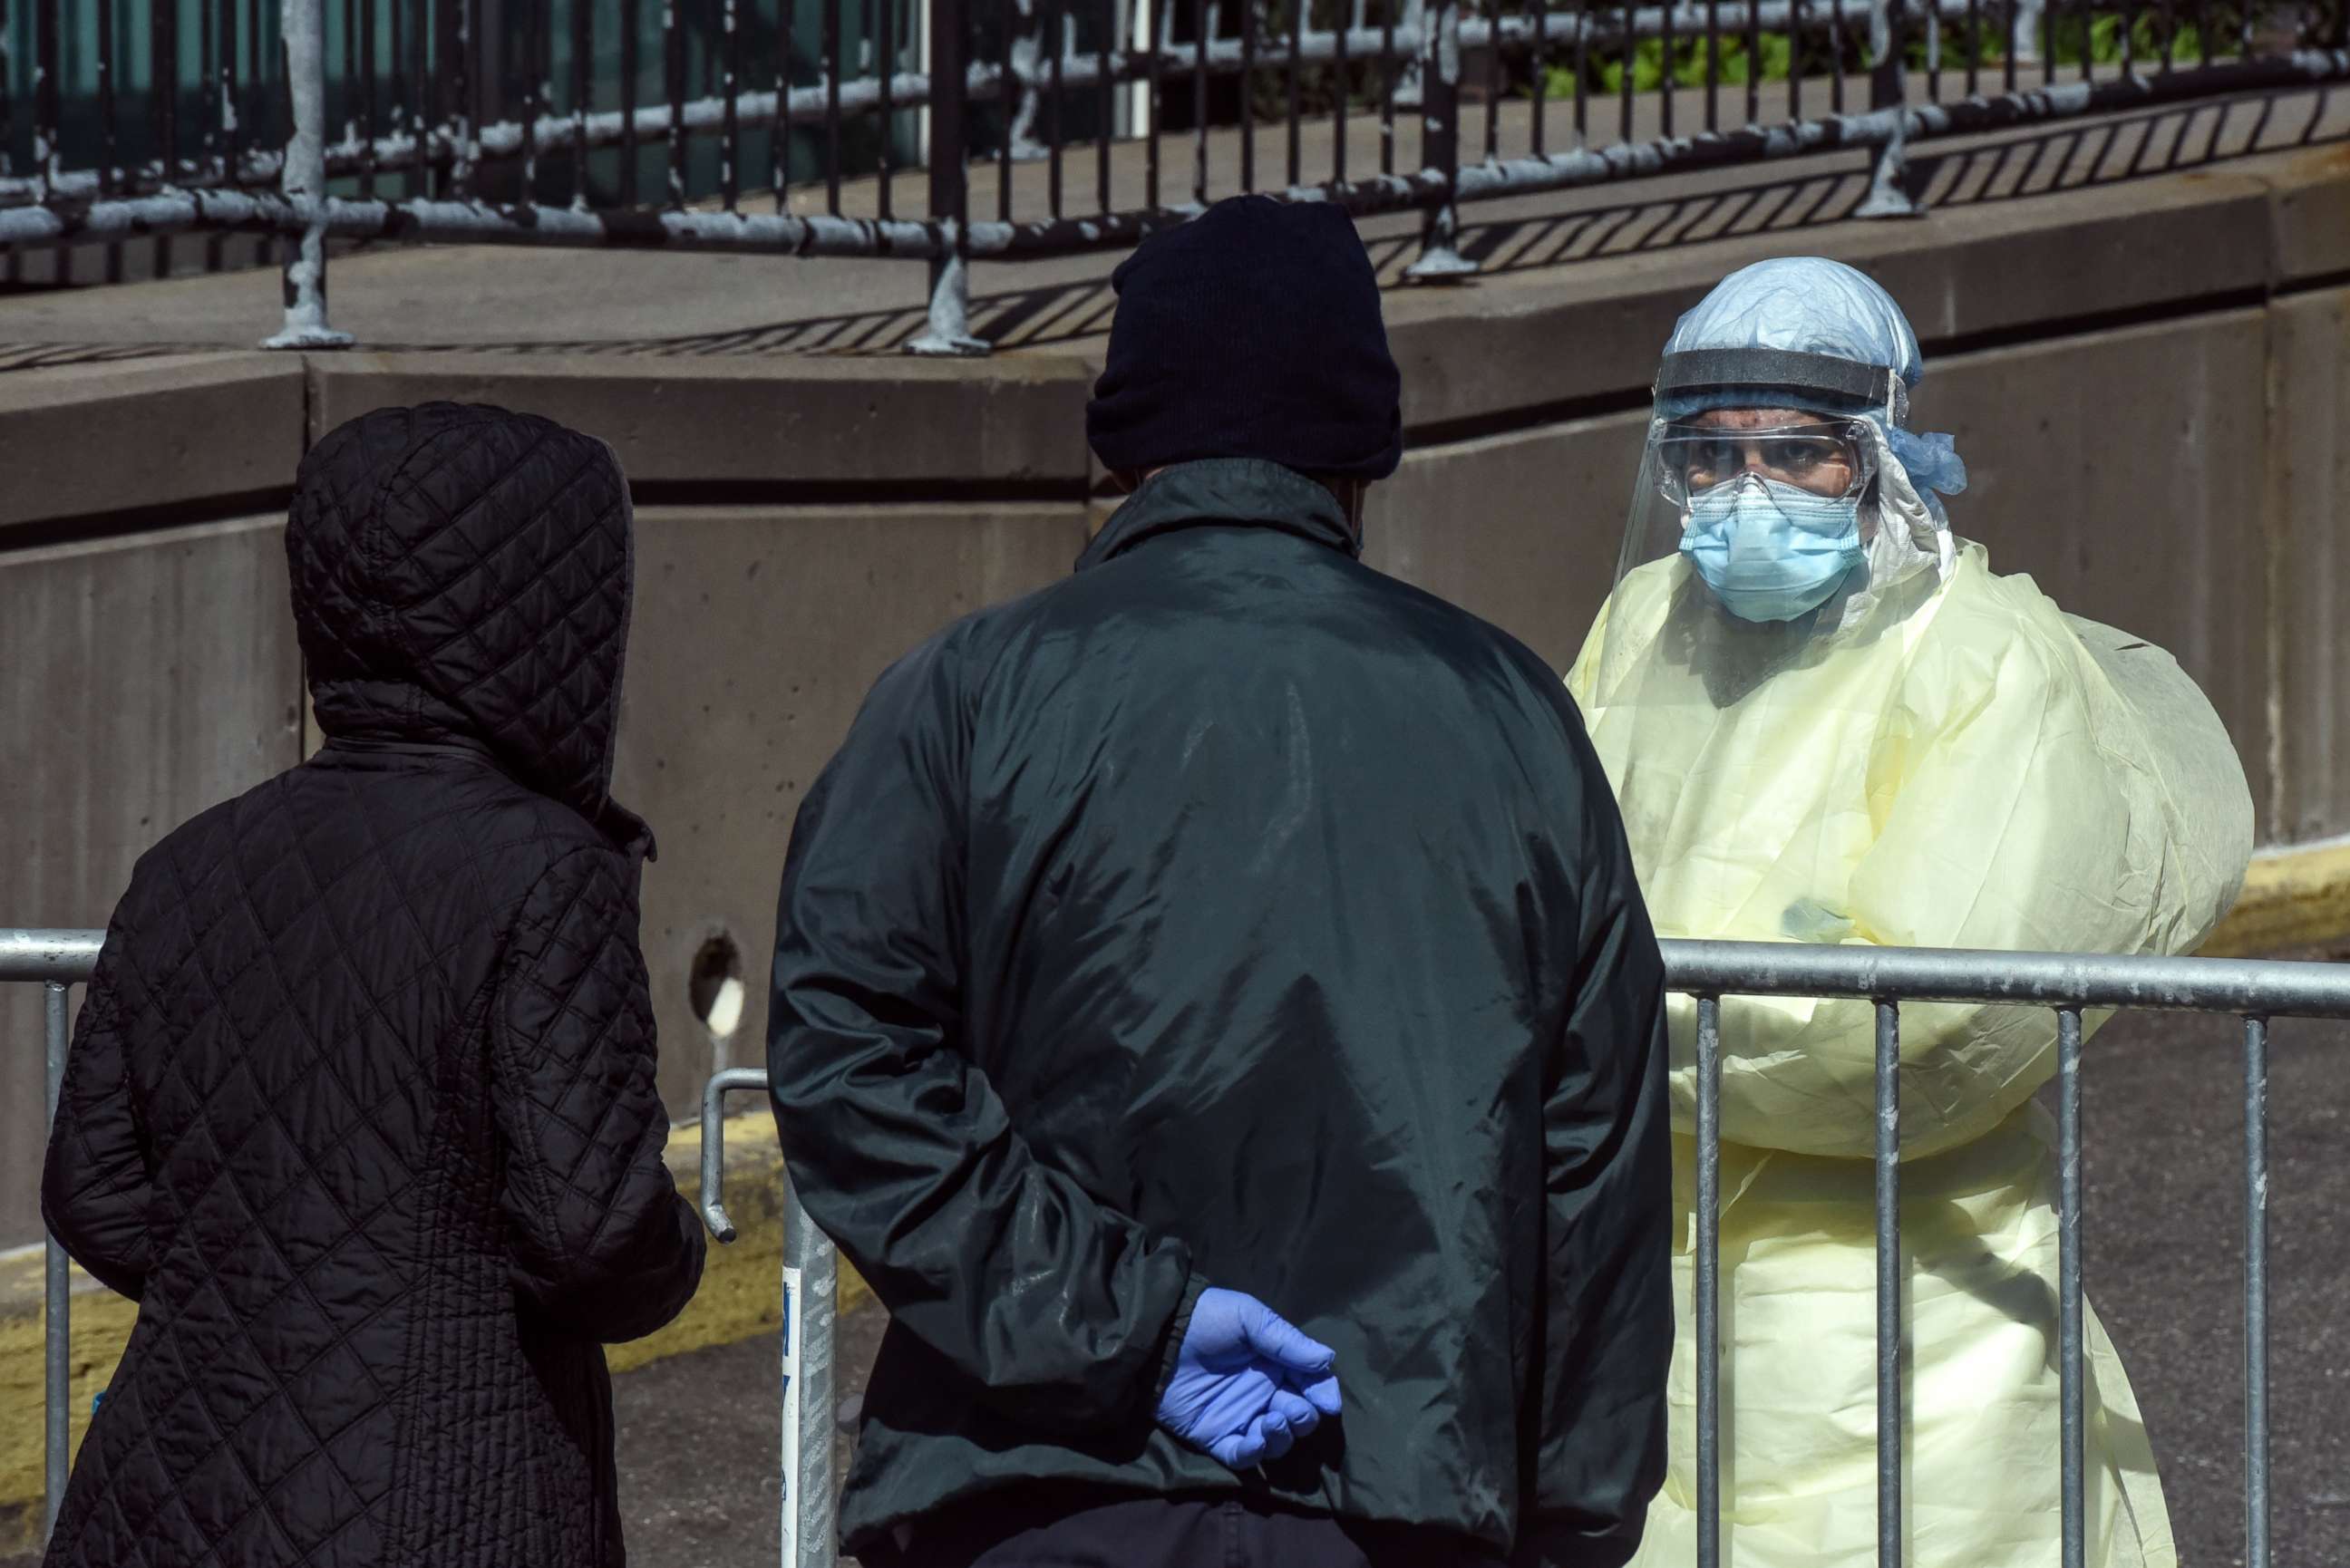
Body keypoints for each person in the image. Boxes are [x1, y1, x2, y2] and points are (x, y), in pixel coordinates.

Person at [767, 194, 1674, 1568]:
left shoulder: (969, 692)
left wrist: (1136, 1327)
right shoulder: (1510, 717)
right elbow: (1593, 1160)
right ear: (1365, 445)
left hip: (1032, 1483)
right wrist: (1573, 1519)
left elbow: (847, 1056)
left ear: (1124, 434)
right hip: (1396, 1494)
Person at [1565, 256, 2255, 1568]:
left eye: (1796, 452)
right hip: (1654, 1307)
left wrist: (1609, 1023)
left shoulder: (1980, 657)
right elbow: (1547, 891)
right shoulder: (1644, 622)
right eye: (1708, 456)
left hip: (1913, 1326)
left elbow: (1927, 1039)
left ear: (1882, 456)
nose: (1744, 493)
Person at [40, 403, 705, 1568]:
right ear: (551, 617)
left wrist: (269, 1294)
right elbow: (597, 1236)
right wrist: (683, 1248)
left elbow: (92, 1188)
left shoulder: (192, 859)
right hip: (447, 1487)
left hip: (167, 1485)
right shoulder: (549, 869)